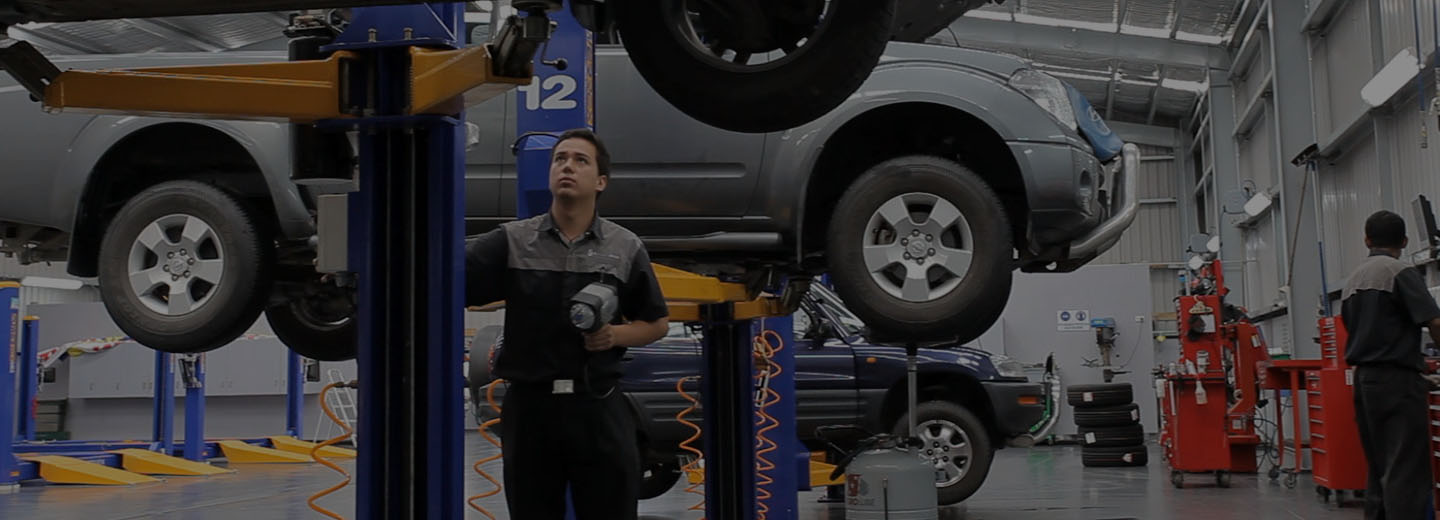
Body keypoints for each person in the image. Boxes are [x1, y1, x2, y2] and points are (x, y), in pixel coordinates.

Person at [464, 128, 670, 519]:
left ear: (601, 181)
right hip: (531, 410)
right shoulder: (512, 241)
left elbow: (656, 323)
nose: (567, 167)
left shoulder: (624, 247)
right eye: (560, 159)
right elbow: (446, 275)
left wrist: (614, 335)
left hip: (597, 406)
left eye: (580, 160)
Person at [1341, 209, 1440, 520]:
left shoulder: (1353, 279)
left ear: (1366, 240)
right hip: (1397, 384)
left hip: (1364, 382)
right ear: (1405, 241)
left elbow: (1355, 328)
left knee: (1378, 466)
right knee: (1405, 469)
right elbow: (1434, 321)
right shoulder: (1399, 271)